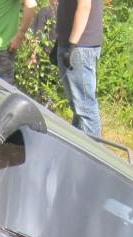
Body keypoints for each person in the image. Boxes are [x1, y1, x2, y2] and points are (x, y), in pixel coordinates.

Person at [55, 0, 103, 137]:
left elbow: (85, 6)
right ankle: (77, 147)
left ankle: (93, 149)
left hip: (80, 46)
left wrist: (72, 45)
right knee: (79, 108)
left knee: (85, 109)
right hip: (72, 43)